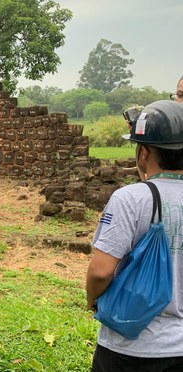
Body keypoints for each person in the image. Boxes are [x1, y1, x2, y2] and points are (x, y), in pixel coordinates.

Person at [86, 100, 183, 371]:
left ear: (144, 152)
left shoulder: (131, 199)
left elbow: (101, 272)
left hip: (131, 348)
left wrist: (93, 302)